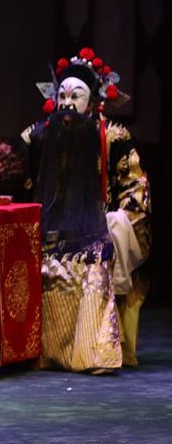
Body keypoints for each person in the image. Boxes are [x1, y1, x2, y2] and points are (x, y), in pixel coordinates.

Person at [22, 47, 150, 372]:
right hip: (50, 231)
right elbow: (14, 177)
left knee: (102, 252)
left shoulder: (113, 137)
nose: (67, 103)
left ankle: (91, 353)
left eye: (76, 96)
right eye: (62, 95)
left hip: (98, 231)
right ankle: (34, 351)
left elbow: (136, 190)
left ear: (92, 101)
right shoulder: (38, 135)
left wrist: (119, 226)